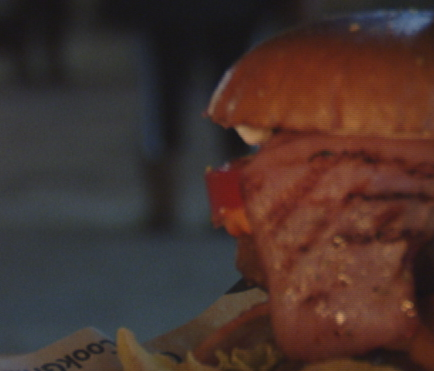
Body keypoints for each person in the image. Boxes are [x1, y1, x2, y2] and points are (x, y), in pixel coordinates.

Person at [103, 0, 299, 231]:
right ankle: (226, 207)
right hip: (224, 12)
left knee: (168, 103)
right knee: (229, 104)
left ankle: (170, 208)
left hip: (179, 12)